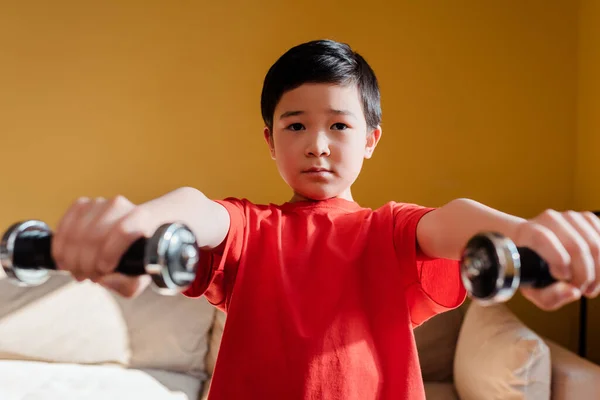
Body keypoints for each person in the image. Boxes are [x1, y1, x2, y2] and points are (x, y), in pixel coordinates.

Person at [50, 39, 600, 399]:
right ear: (270, 140)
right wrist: (141, 221)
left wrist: (527, 235)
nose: (317, 145)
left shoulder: (389, 231)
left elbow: (451, 222)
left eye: (339, 126)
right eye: (295, 126)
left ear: (370, 141)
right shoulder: (250, 228)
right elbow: (198, 211)